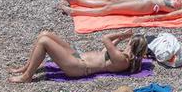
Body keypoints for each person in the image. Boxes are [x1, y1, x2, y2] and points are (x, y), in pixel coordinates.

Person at [11, 27, 144, 82]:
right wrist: (120, 39)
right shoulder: (121, 56)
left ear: (131, 44)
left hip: (79, 67)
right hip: (77, 57)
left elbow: (105, 39)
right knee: (45, 34)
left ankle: (27, 76)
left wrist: (122, 34)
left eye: (129, 40)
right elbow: (105, 51)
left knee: (44, 42)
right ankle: (26, 68)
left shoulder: (122, 60)